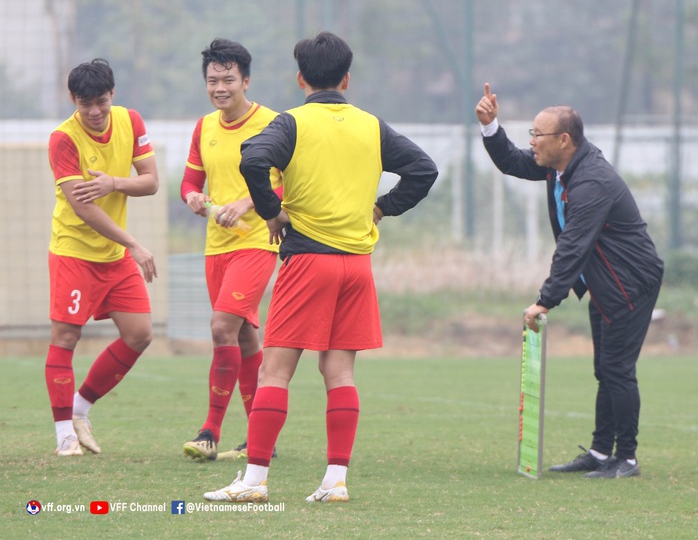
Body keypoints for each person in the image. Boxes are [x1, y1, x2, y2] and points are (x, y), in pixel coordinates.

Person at [203, 31, 438, 503]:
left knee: (274, 372)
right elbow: (424, 169)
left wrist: (270, 211)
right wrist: (382, 208)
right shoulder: (371, 125)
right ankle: (335, 482)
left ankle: (253, 481)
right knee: (340, 374)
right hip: (357, 265)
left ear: (300, 78)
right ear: (347, 79)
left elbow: (254, 158)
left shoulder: (292, 122)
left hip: (308, 260)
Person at [475, 83, 663, 478]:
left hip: (631, 283)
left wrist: (546, 299)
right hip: (605, 282)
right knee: (606, 368)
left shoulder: (592, 182)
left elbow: (574, 246)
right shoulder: (557, 166)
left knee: (616, 369)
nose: (532, 143)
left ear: (564, 139)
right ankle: (599, 453)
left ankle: (625, 459)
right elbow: (511, 161)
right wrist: (491, 127)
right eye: (531, 134)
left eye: (537, 135)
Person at [46, 58, 159, 456]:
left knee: (140, 334)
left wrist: (115, 182)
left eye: (100, 102)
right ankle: (64, 435)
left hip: (113, 255)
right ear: (72, 100)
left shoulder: (131, 121)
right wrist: (133, 243)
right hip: (74, 253)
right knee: (66, 337)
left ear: (112, 94)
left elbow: (150, 182)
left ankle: (80, 409)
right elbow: (83, 207)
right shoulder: (64, 139)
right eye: (84, 104)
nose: (94, 112)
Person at [180, 38, 283, 461]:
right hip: (216, 246)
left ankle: (210, 432)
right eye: (212, 81)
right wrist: (192, 198)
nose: (219, 88)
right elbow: (190, 182)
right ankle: (262, 441)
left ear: (246, 80)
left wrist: (251, 200)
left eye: (227, 79)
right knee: (242, 338)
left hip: (258, 241)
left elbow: (291, 186)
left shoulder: (276, 124)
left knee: (221, 327)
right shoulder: (204, 127)